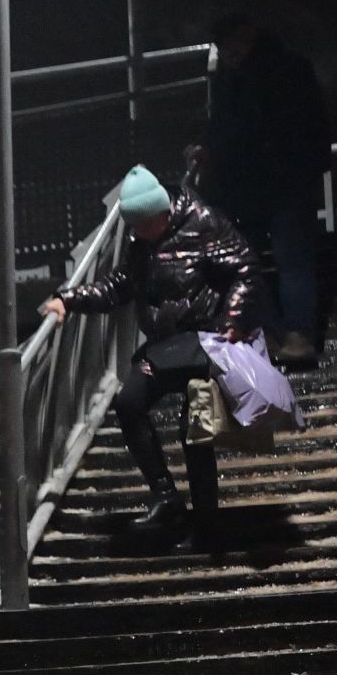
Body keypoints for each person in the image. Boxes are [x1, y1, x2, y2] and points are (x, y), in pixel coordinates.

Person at [42, 163, 262, 547]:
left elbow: (246, 268)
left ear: (163, 211)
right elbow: (120, 286)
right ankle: (166, 498)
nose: (140, 235)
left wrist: (231, 320)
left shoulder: (202, 222)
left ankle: (207, 525)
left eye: (145, 226)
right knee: (129, 401)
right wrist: (68, 298)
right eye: (135, 228)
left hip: (204, 340)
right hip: (164, 347)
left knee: (194, 427)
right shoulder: (142, 242)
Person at [197, 14, 332, 367]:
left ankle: (282, 334)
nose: (228, 52)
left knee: (266, 261)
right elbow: (315, 124)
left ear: (247, 37)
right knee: (288, 260)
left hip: (266, 185)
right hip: (280, 183)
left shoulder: (245, 80)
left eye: (230, 44)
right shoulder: (289, 69)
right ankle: (292, 335)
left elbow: (227, 129)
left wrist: (214, 157)